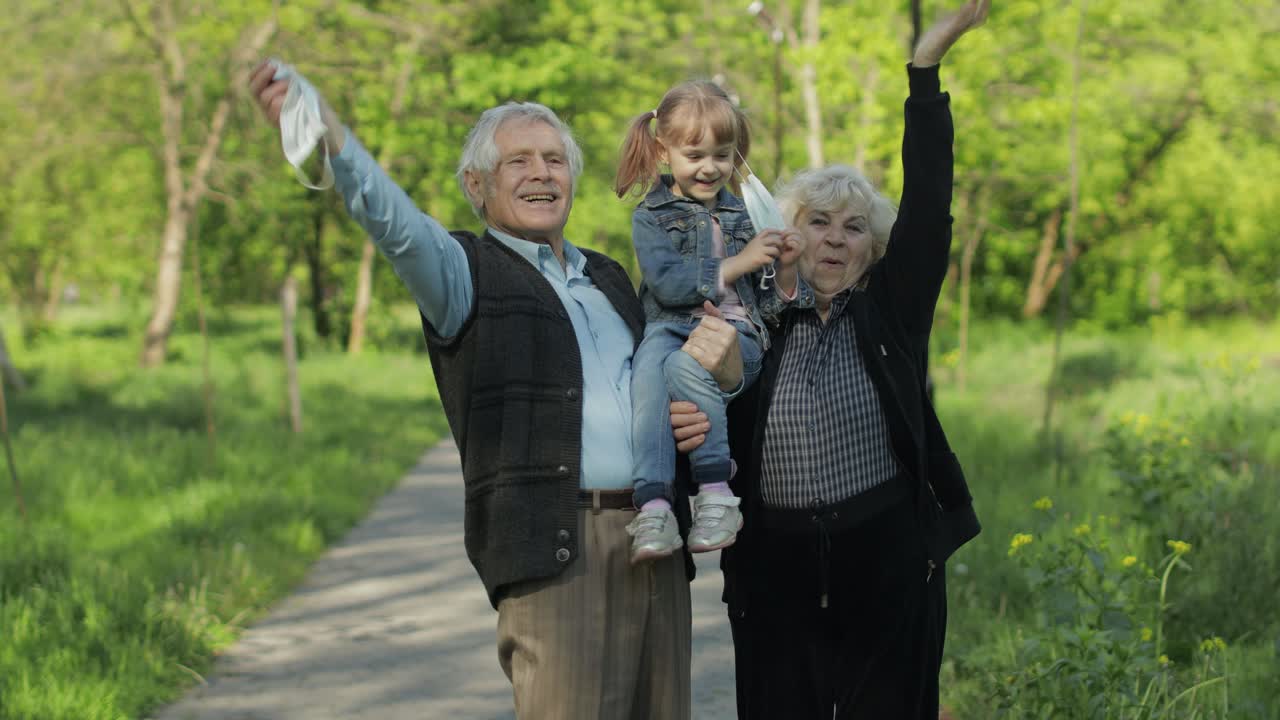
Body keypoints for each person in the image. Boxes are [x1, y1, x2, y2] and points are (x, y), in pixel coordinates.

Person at [249, 60, 745, 720]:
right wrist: (330, 133)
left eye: (554, 160)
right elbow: (395, 224)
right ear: (476, 186)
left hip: (655, 542)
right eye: (519, 162)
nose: (542, 174)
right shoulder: (464, 272)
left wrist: (703, 404)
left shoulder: (609, 278)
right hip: (557, 550)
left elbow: (672, 379)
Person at [670, 1, 989, 717]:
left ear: (874, 249)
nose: (836, 239)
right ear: (789, 236)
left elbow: (930, 204)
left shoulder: (891, 311)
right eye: (818, 223)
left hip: (887, 560)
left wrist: (926, 68)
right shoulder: (755, 319)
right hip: (773, 571)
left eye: (854, 228)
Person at [613, 81, 811, 563]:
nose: (709, 167)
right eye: (694, 154)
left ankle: (717, 491)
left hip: (739, 333)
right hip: (669, 325)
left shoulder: (745, 214)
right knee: (648, 376)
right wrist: (741, 261)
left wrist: (785, 268)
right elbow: (668, 284)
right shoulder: (651, 215)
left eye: (722, 155)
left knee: (684, 367)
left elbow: (772, 308)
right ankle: (655, 505)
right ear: (664, 151)